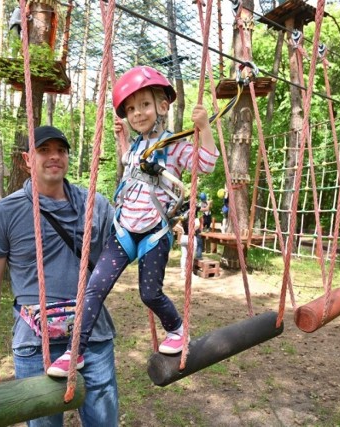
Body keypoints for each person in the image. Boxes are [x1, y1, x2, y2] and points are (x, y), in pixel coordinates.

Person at [48, 65, 219, 377]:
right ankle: (76, 352)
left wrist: (204, 127)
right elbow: (130, 161)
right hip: (124, 229)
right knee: (94, 289)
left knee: (149, 293)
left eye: (144, 105)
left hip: (154, 232)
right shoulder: (138, 146)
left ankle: (178, 329)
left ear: (162, 106)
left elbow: (206, 164)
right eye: (131, 108)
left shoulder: (173, 146)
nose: (138, 113)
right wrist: (122, 142)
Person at [0, 125, 119, 427]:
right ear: (28, 159)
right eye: (44, 150)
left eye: (60, 150)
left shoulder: (96, 205)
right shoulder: (6, 212)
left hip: (92, 338)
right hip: (35, 344)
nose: (54, 157)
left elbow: (122, 252)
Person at [173, 206, 201, 279]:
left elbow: (176, 224)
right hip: (191, 237)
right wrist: (193, 229)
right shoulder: (195, 217)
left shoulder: (183, 217)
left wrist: (182, 229)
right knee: (190, 257)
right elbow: (198, 225)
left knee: (184, 256)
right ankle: (190, 273)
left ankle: (183, 272)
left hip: (183, 237)